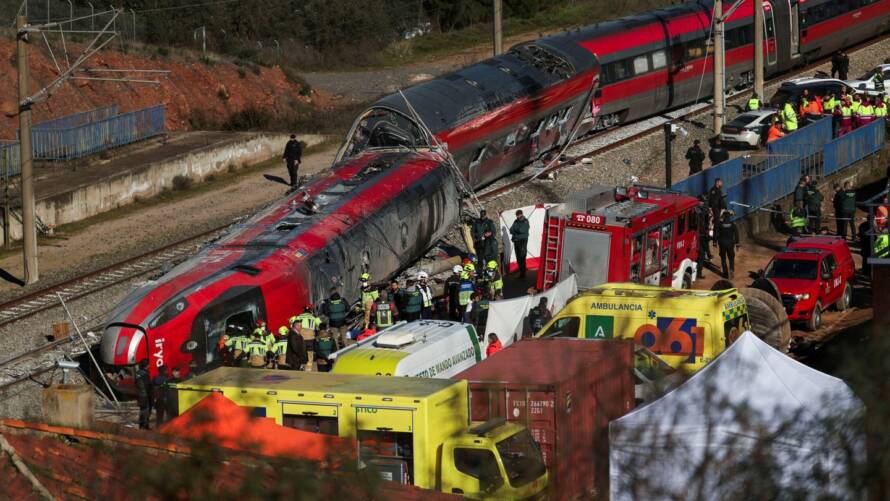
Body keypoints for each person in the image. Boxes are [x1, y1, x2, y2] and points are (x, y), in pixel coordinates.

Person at [294, 305, 321, 371]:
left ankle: (300, 365)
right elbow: (320, 324)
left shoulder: (298, 317)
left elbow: (293, 326)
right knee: (310, 353)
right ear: (310, 311)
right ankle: (309, 368)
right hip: (310, 338)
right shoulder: (313, 317)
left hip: (301, 338)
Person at [715, 212, 739, 279]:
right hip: (730, 244)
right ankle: (731, 270)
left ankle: (725, 273)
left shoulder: (720, 224)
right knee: (731, 258)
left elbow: (716, 233)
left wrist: (715, 242)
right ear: (729, 217)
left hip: (722, 244)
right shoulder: (733, 224)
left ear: (724, 217)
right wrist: (737, 244)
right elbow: (736, 234)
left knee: (723, 258)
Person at [509, 210, 530, 277]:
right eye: (516, 215)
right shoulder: (515, 221)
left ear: (521, 214)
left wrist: (515, 230)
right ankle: (521, 272)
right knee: (518, 257)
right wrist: (516, 230)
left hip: (522, 241)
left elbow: (522, 230)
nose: (517, 216)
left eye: (518, 215)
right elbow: (511, 230)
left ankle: (523, 273)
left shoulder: (525, 221)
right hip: (516, 241)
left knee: (522, 257)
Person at [696, 199, 711, 279]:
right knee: (701, 256)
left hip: (698, 235)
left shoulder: (696, 209)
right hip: (701, 237)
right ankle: (699, 274)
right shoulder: (702, 213)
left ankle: (708, 255)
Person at [135, 359, 153, 430]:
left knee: (142, 410)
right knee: (146, 411)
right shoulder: (145, 374)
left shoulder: (138, 373)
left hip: (139, 395)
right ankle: (145, 427)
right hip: (145, 395)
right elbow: (147, 386)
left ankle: (141, 426)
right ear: (147, 365)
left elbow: (136, 384)